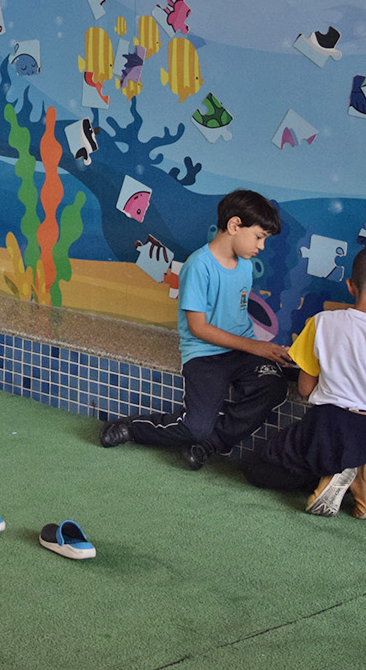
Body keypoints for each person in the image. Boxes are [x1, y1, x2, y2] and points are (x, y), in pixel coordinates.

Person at [101, 190, 292, 469]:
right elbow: (198, 328)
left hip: (242, 352)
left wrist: (266, 352)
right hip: (205, 355)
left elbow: (237, 317)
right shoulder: (198, 266)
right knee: (195, 427)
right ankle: (134, 429)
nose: (261, 246)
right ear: (234, 225)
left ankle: (210, 443)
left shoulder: (245, 267)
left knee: (274, 387)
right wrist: (257, 347)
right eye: (259, 237)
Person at [242, 249, 366, 517]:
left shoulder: (322, 323)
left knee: (257, 467)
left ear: (350, 286)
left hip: (330, 424)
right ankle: (354, 473)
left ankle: (336, 471)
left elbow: (306, 389)